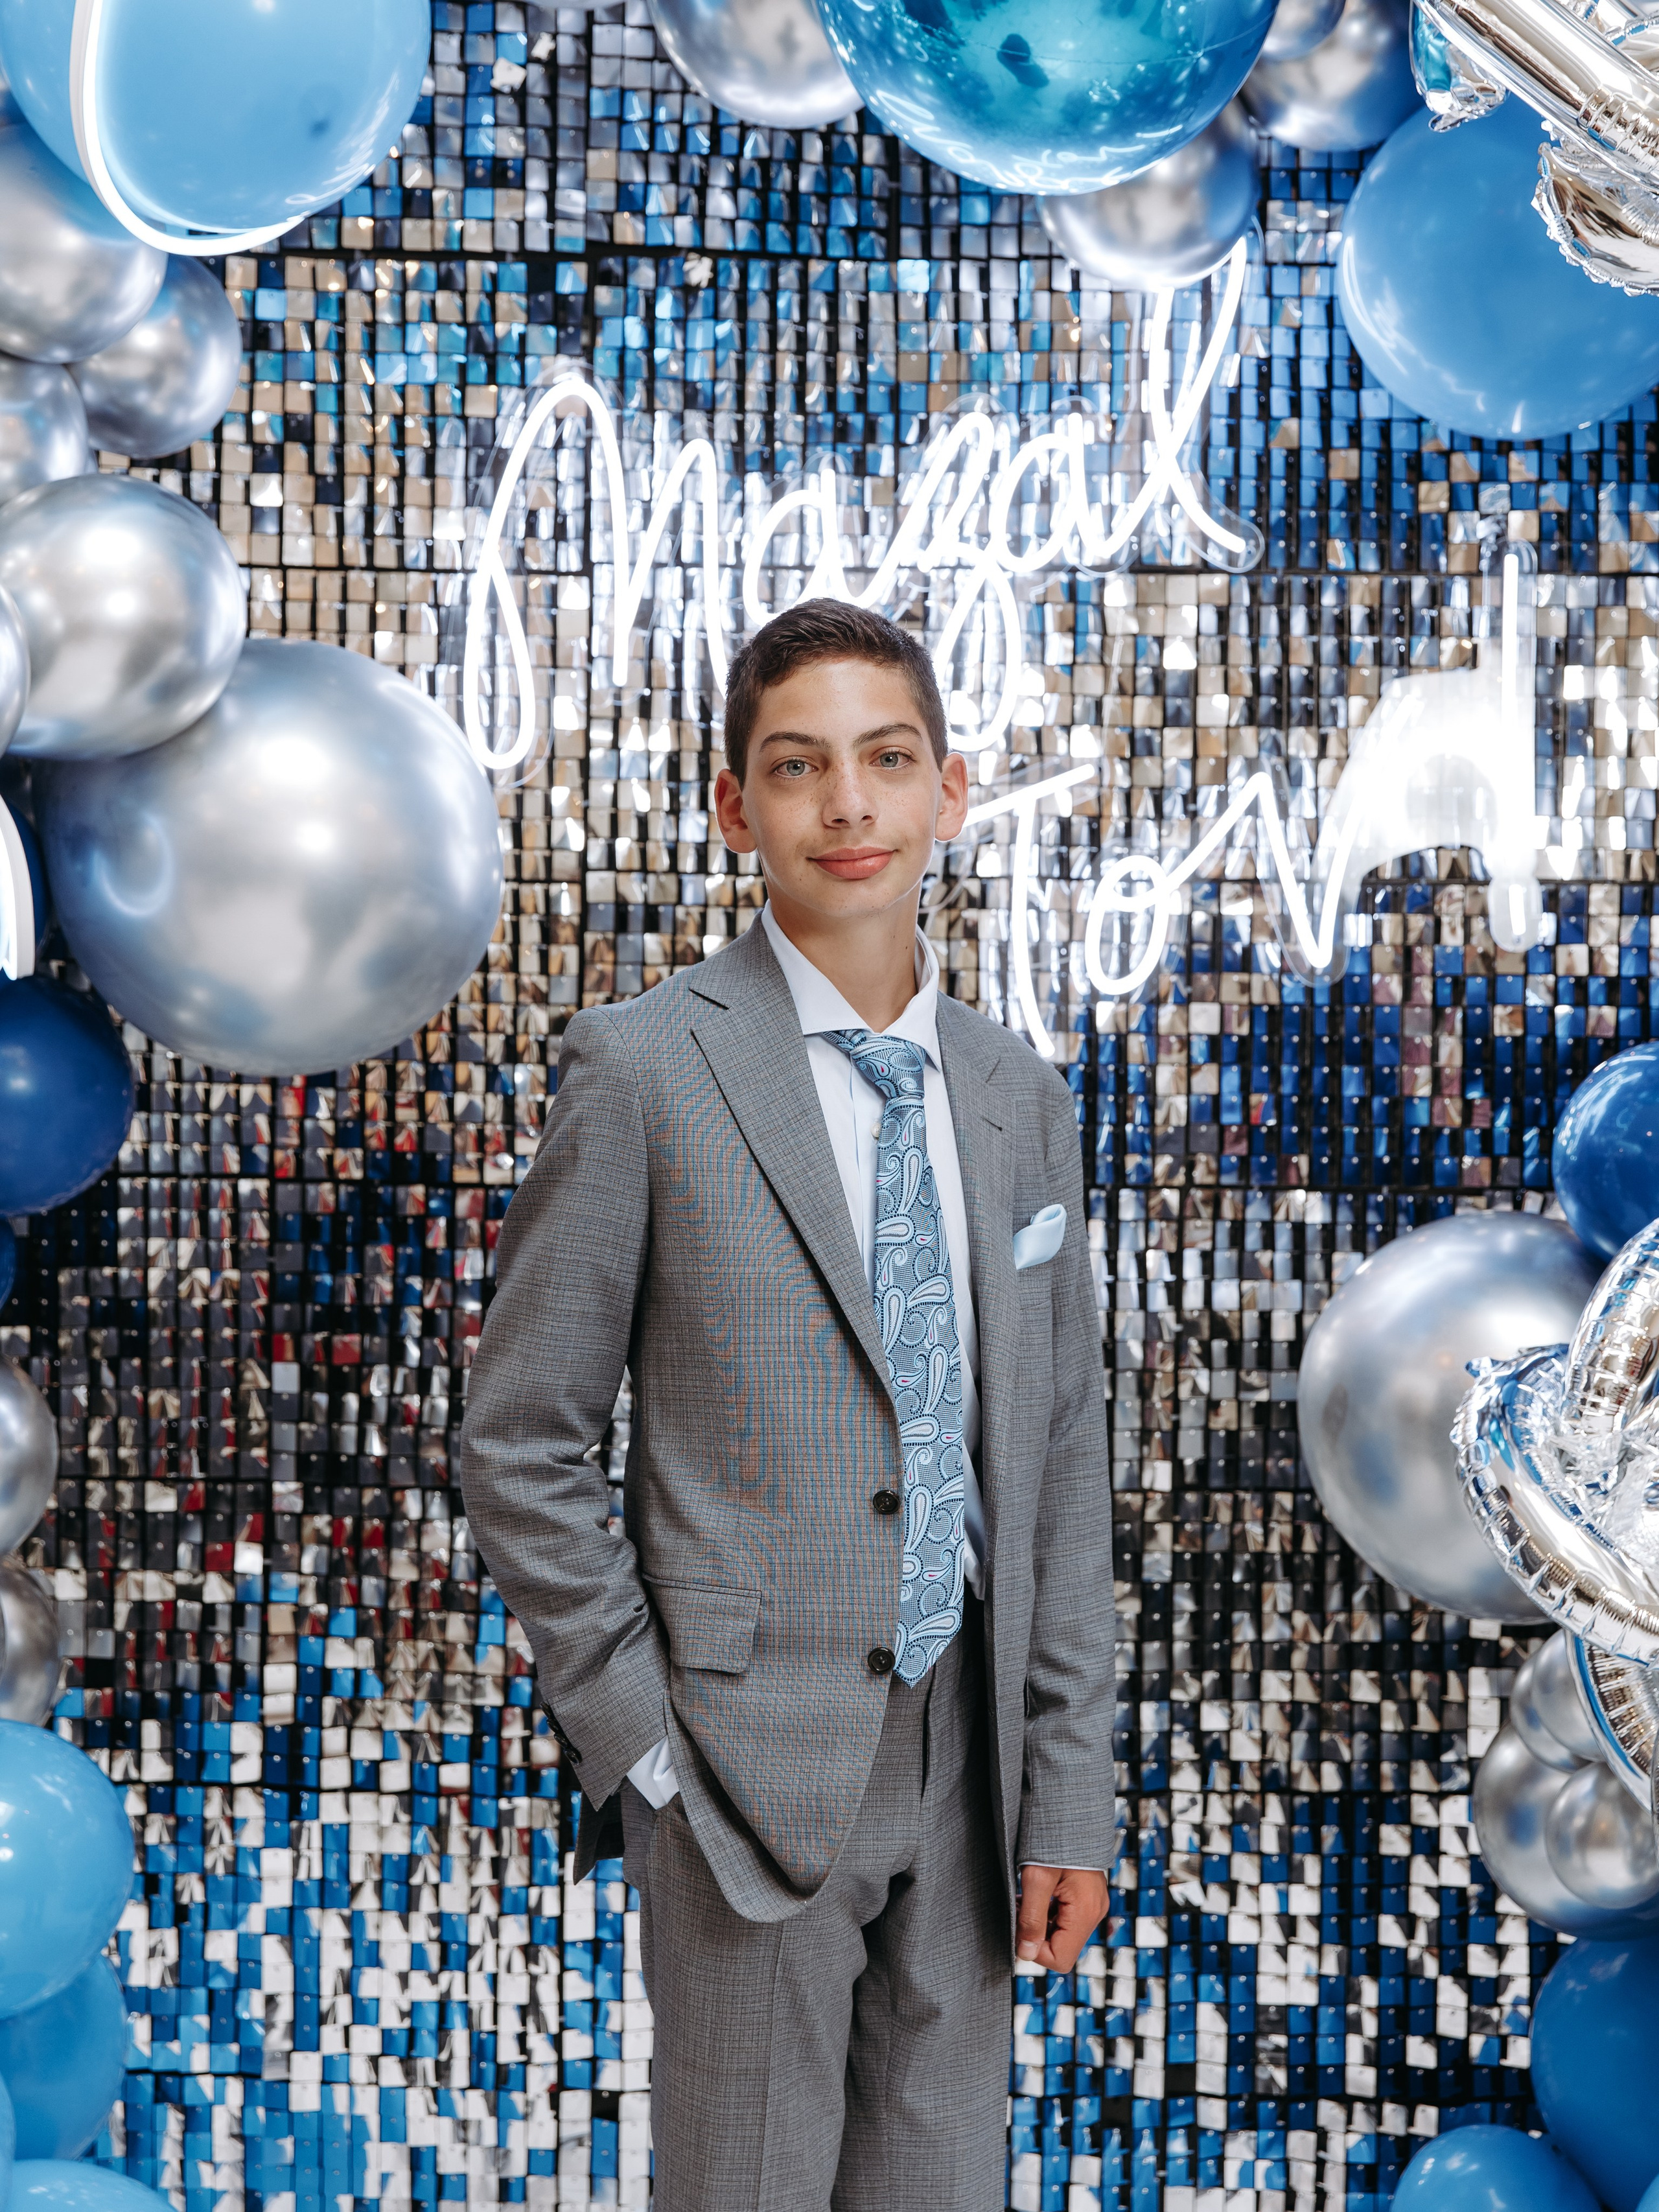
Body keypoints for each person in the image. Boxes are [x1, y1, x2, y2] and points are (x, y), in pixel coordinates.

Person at [460, 600, 1115, 2211]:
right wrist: (641, 1748)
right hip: (737, 1768)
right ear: (732, 807)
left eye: (886, 762)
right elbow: (520, 1438)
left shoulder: (1018, 1100)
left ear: (949, 792)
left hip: (970, 1775)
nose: (848, 805)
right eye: (798, 766)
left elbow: (1055, 1463)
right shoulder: (643, 1070)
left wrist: (1067, 1787)